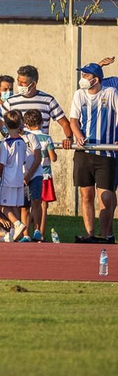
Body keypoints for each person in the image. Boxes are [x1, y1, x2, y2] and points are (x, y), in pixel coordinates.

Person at [69, 61, 118, 243]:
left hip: (106, 153)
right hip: (84, 153)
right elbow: (73, 120)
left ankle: (105, 236)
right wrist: (78, 135)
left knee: (105, 196)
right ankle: (90, 234)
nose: (83, 79)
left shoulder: (110, 93)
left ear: (96, 79)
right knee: (86, 194)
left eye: (86, 76)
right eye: (82, 75)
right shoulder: (79, 95)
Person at [0, 110, 37, 242]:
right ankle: (14, 233)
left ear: (5, 125)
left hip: (7, 179)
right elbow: (24, 160)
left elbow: (1, 163)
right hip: (19, 178)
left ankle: (18, 224)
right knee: (14, 206)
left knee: (1, 205)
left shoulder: (5, 144)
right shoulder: (22, 142)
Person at [6, 65, 74, 146]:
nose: (19, 85)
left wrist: (69, 138)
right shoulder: (10, 101)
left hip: (41, 151)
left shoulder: (48, 100)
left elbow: (64, 123)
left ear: (33, 84)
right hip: (19, 150)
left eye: (23, 83)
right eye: (18, 81)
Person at [23, 109, 56, 241]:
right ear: (42, 122)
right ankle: (40, 233)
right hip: (44, 174)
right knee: (42, 205)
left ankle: (27, 232)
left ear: (26, 124)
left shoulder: (26, 137)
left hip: (28, 173)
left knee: (28, 204)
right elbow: (53, 158)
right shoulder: (47, 138)